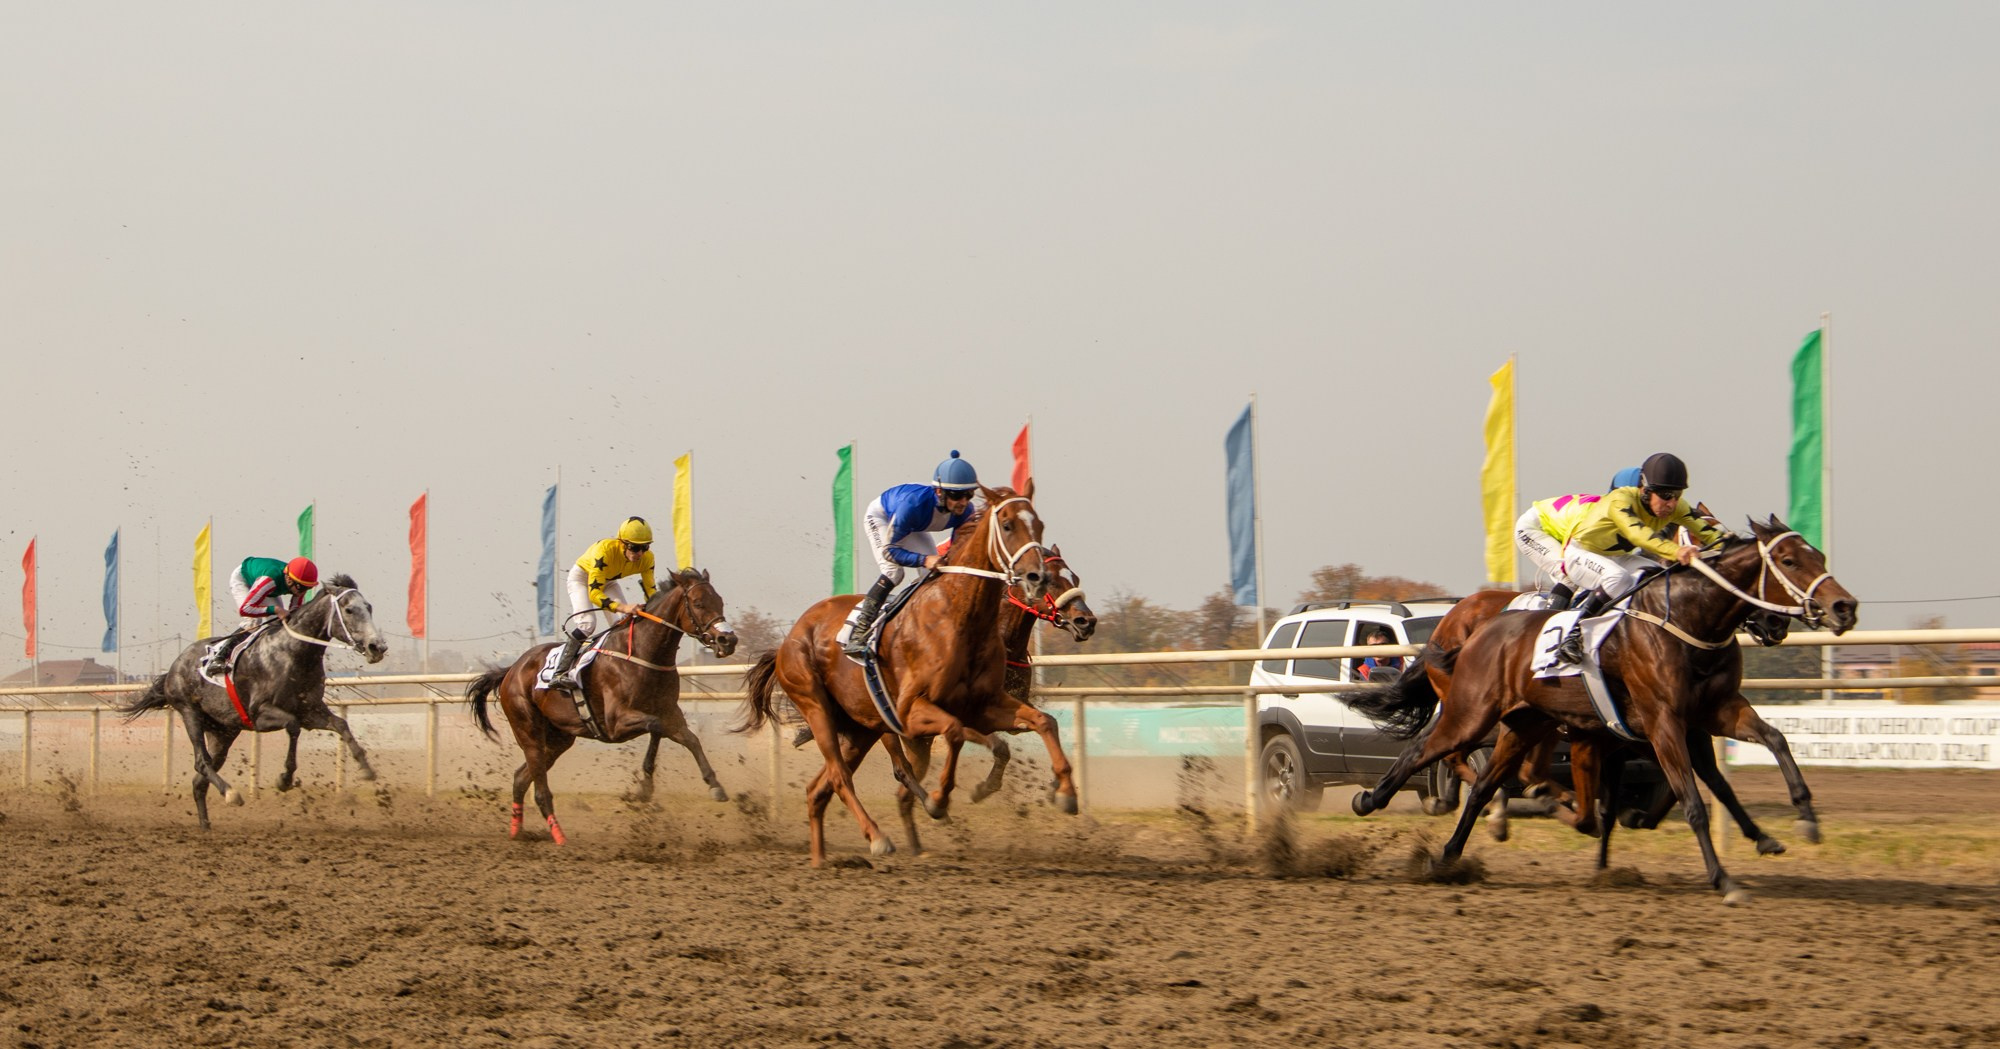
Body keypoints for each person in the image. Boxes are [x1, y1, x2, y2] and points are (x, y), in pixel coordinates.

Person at [1553, 451, 1726, 664]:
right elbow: (1639, 535)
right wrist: (1676, 551)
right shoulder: (1620, 500)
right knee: (1618, 579)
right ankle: (1573, 636)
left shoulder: (1677, 507)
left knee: (1658, 576)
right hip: (1581, 554)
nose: (1672, 504)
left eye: (1677, 496)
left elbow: (1708, 532)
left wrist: (1736, 545)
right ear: (1646, 491)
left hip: (1617, 556)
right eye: (1665, 496)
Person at [843, 451, 981, 657]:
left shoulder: (967, 512)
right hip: (883, 517)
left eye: (968, 494)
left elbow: (957, 551)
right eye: (956, 495)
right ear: (940, 492)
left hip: (915, 526)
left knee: (936, 576)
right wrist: (924, 559)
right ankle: (860, 630)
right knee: (893, 573)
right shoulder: (912, 506)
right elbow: (890, 552)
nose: (963, 502)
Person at [1512, 465, 1646, 611]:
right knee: (1568, 576)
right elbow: (1571, 553)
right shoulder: (1593, 516)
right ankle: (1549, 623)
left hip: (1559, 528)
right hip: (1532, 529)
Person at [551, 516, 659, 691]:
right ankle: (559, 672)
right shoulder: (605, 551)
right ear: (622, 543)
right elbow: (594, 594)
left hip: (607, 581)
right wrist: (624, 607)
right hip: (582, 578)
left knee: (623, 624)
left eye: (645, 547)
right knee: (587, 624)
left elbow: (651, 593)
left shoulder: (648, 559)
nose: (640, 553)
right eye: (634, 547)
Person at [205, 555, 318, 669]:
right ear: (289, 579)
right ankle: (218, 658)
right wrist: (275, 610)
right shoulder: (270, 581)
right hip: (244, 580)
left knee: (279, 623)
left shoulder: (299, 583)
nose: (303, 592)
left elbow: (294, 611)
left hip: (266, 588)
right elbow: (245, 609)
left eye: (308, 588)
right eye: (302, 588)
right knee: (253, 622)